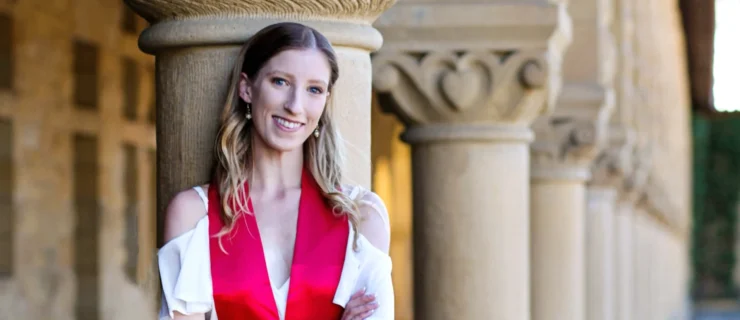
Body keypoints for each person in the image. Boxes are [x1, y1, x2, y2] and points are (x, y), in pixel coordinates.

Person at [156, 22, 394, 320]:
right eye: (280, 82)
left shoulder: (362, 218)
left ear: (324, 102)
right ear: (247, 88)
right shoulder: (194, 216)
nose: (295, 105)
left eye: (314, 89)